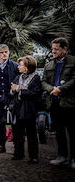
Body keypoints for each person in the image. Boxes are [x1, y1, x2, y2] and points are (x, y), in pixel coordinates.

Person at [42, 38, 75, 169]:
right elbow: (43, 81)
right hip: (54, 103)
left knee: (73, 132)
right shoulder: (48, 64)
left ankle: (73, 158)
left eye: (56, 49)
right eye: (52, 49)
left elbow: (74, 79)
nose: (53, 51)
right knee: (59, 131)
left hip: (70, 103)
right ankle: (62, 156)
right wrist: (52, 90)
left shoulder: (73, 61)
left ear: (64, 49)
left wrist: (60, 89)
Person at [10, 55, 42, 164]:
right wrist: (14, 90)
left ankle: (33, 156)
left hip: (29, 109)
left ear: (27, 67)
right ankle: (18, 153)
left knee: (31, 133)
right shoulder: (18, 77)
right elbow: (12, 89)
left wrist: (19, 90)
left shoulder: (36, 78)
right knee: (17, 132)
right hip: (17, 107)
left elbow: (35, 94)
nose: (18, 67)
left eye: (21, 65)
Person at [0, 44, 19, 154]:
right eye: (1, 52)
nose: (4, 54)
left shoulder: (15, 66)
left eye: (6, 52)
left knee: (14, 122)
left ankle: (17, 147)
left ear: (9, 52)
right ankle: (2, 145)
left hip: (11, 98)